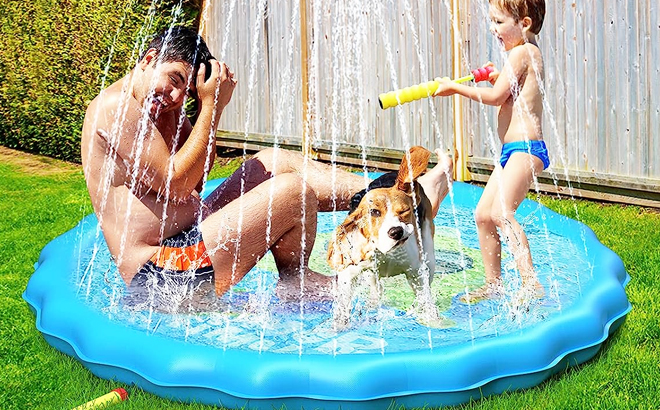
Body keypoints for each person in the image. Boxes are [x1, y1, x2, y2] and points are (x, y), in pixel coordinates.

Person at [81, 26, 453, 307]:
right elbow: (178, 185)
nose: (177, 96)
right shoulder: (115, 110)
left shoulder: (161, 105)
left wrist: (212, 107)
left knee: (272, 162)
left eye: (185, 90)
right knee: (292, 191)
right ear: (148, 60)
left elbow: (200, 172)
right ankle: (299, 282)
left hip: (191, 237)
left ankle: (388, 195)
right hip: (162, 274)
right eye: (174, 80)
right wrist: (211, 106)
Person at [433, 0, 547, 303]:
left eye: (498, 22)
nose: (493, 29)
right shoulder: (523, 52)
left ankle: (531, 284)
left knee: (502, 213)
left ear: (524, 24)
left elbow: (497, 99)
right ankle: (493, 285)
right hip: (511, 150)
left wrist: (454, 88)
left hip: (526, 148)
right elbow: (512, 93)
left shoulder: (523, 52)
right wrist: (501, 78)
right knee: (483, 214)